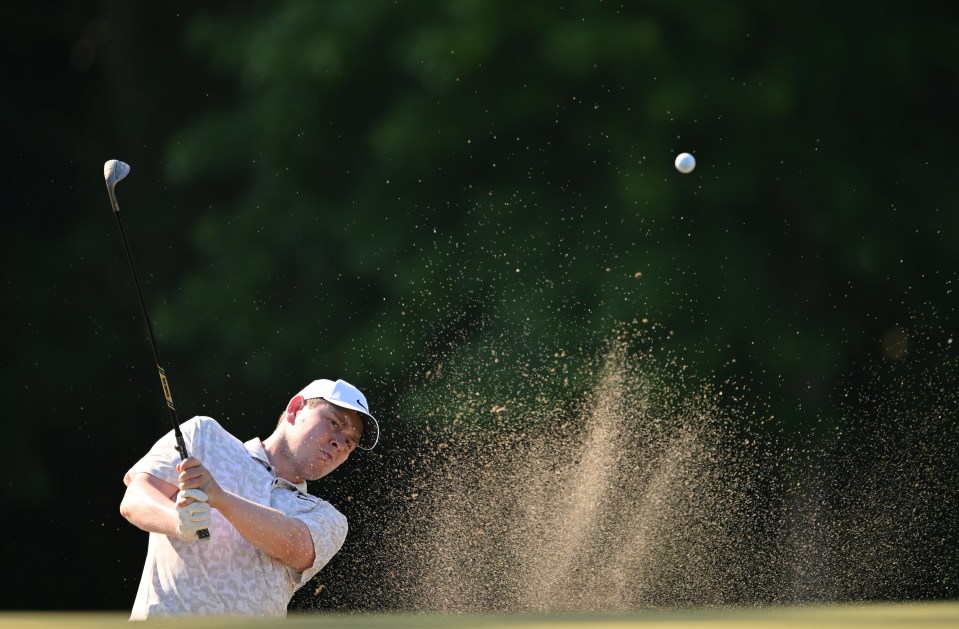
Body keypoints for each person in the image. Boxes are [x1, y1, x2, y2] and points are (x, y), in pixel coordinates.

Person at [120, 378, 380, 619]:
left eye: (350, 442)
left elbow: (294, 546)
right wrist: (177, 520)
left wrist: (220, 498)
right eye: (334, 423)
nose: (339, 444)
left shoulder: (325, 516)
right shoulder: (205, 435)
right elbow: (135, 498)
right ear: (295, 408)